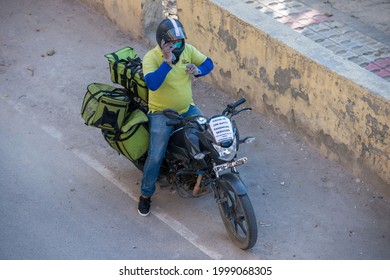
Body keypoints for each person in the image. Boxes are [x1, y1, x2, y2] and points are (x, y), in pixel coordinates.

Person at [138, 18, 214, 216]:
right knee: (155, 155)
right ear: (162, 42)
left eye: (180, 42)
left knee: (208, 135)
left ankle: (208, 175)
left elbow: (209, 63)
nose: (177, 47)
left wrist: (198, 70)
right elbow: (152, 84)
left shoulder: (188, 51)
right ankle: (145, 195)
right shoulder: (151, 58)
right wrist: (167, 62)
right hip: (161, 113)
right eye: (172, 44)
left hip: (187, 108)